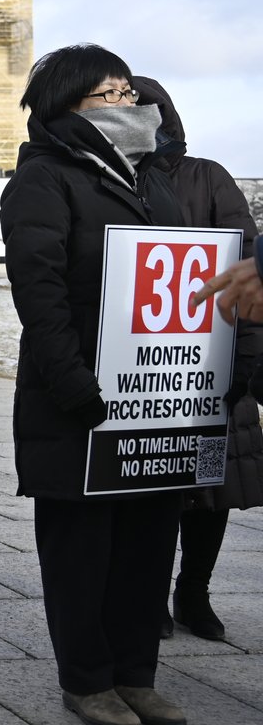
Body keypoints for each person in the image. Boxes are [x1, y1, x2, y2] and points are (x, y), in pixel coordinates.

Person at [0, 45, 187, 725]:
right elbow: (39, 292)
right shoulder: (43, 179)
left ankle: (136, 675)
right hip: (77, 398)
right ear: (66, 105)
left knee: (148, 545)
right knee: (81, 551)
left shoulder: (151, 179)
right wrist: (71, 381)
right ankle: (87, 681)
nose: (126, 104)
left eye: (128, 92)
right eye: (108, 94)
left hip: (152, 399)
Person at [132, 76, 263, 642]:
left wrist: (245, 364)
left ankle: (194, 592)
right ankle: (149, 596)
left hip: (214, 358)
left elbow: (245, 262)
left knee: (212, 491)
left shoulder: (207, 176)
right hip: (144, 366)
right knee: (148, 490)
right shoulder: (109, 180)